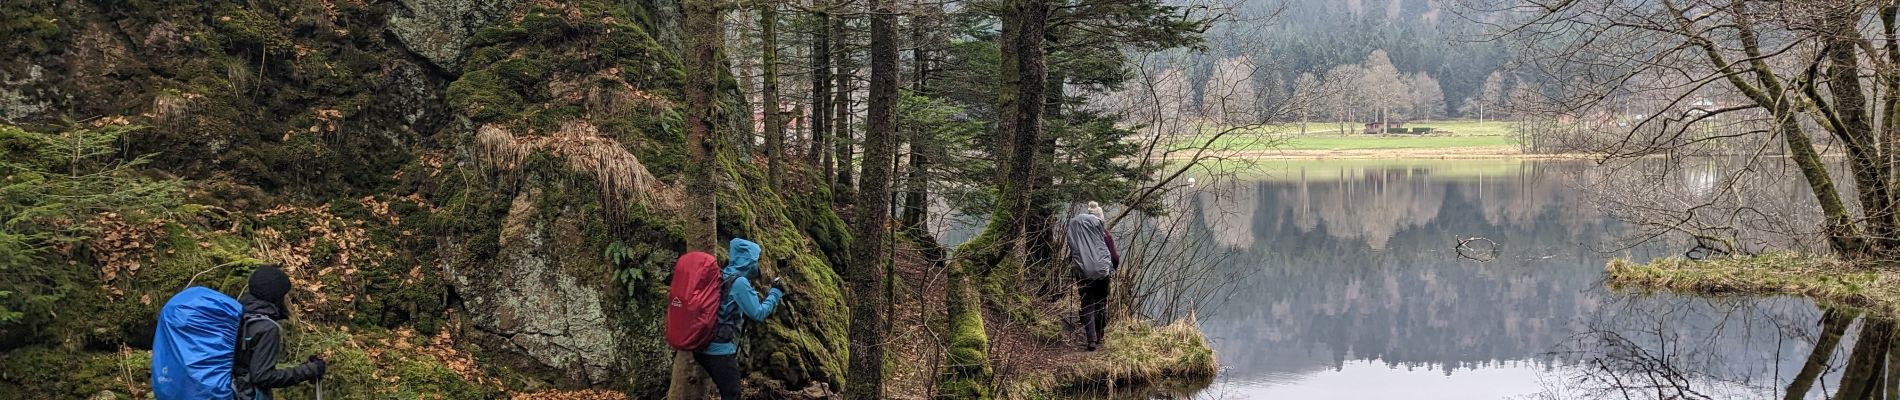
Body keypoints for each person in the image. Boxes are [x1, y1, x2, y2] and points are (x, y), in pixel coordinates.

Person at [698, 238, 786, 400]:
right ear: (749, 260)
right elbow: (757, 313)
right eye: (756, 260)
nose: (757, 264)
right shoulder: (739, 283)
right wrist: (775, 293)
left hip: (702, 343)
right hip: (718, 349)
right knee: (732, 393)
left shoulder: (724, 274)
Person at [235, 265, 328, 400]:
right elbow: (262, 377)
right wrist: (309, 370)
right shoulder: (267, 328)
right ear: (277, 296)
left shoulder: (239, 314)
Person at [1067, 202, 1119, 351]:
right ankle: (1099, 334)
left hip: (1083, 273)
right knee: (1100, 303)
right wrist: (1112, 269)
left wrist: (1075, 267)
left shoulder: (1079, 234)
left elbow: (1074, 254)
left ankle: (1091, 340)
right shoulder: (1105, 235)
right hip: (1102, 274)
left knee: (1088, 304)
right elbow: (1114, 257)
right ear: (1100, 220)